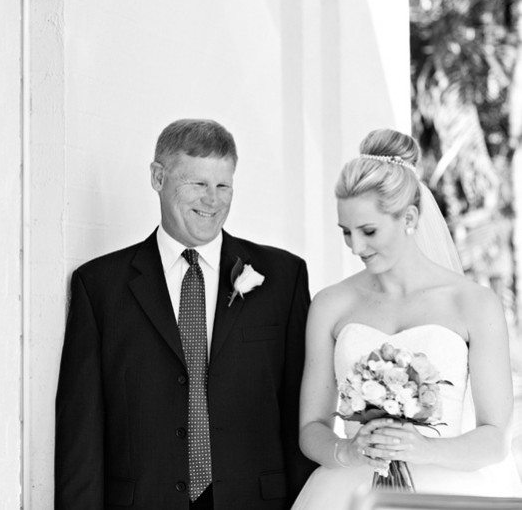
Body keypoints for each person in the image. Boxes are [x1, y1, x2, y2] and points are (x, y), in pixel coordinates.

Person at [55, 119, 317, 510]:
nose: (212, 200)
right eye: (198, 184)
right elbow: (81, 434)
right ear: (158, 177)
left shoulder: (283, 278)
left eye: (223, 185)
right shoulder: (99, 287)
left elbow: (300, 413)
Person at [292, 128, 522, 510]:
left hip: (448, 492)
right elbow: (311, 428)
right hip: (347, 493)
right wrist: (347, 450)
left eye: (368, 231)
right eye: (346, 232)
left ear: (410, 217)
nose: (356, 247)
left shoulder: (475, 304)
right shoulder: (330, 305)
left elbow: (494, 439)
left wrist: (424, 448)